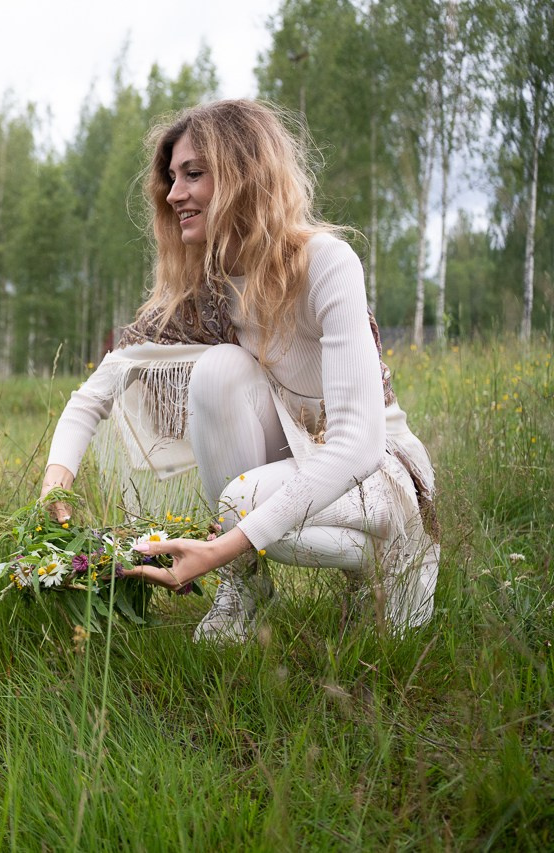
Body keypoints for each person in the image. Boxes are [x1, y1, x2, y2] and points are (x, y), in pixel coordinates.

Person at [40, 99, 438, 644]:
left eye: (193, 174)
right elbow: (95, 393)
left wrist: (217, 546)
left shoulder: (327, 262)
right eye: (172, 177)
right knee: (219, 371)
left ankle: (384, 561)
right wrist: (52, 495)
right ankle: (244, 590)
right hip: (301, 461)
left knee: (242, 504)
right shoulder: (208, 288)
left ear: (243, 175)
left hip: (379, 474)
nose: (174, 193)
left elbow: (356, 447)